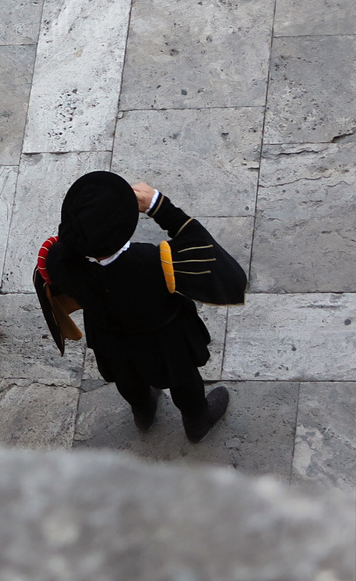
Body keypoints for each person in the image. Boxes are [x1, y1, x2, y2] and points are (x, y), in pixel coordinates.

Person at [37, 172, 247, 442]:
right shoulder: (156, 262)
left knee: (127, 379)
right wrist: (159, 205)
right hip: (166, 341)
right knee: (184, 379)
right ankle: (197, 420)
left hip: (109, 337)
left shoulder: (56, 259)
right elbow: (206, 250)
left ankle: (143, 412)